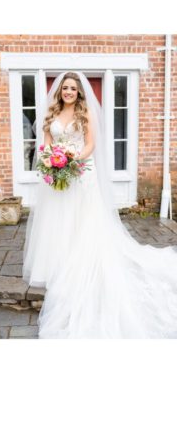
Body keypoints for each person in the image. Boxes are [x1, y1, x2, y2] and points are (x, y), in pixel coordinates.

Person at [23, 71, 177, 338]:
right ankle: (59, 263)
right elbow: (46, 144)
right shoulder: (51, 114)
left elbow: (91, 144)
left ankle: (80, 261)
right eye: (65, 88)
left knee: (82, 218)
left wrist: (71, 160)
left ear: (79, 92)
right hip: (57, 174)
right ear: (60, 91)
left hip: (81, 172)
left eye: (73, 88)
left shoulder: (86, 114)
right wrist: (51, 160)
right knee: (59, 218)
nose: (68, 92)